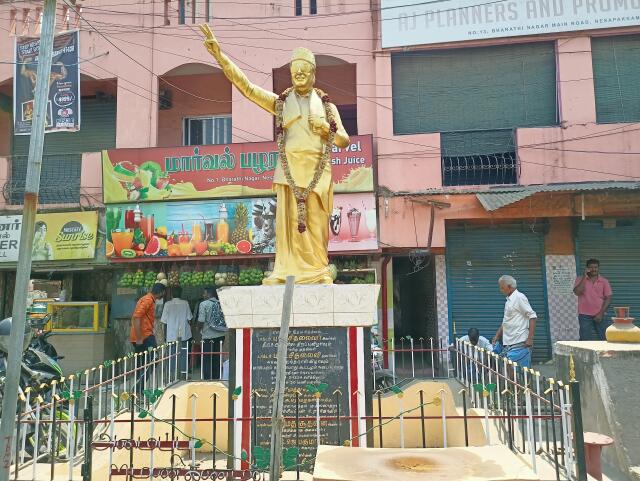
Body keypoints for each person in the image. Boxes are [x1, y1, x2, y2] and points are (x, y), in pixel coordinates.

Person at [200, 24, 350, 285]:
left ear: (314, 74)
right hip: (289, 173)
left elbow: (343, 141)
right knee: (288, 227)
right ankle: (286, 272)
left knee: (315, 226)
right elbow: (247, 88)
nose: (299, 75)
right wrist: (220, 56)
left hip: (317, 174)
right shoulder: (281, 103)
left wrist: (326, 128)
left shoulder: (328, 107)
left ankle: (317, 272)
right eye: (295, 72)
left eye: (304, 71)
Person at [492, 275, 537, 369]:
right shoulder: (508, 301)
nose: (501, 290)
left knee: (520, 372)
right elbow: (506, 321)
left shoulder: (519, 297)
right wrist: (497, 335)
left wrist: (530, 339)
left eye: (502, 287)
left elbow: (532, 316)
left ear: (510, 287)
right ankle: (513, 384)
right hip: (510, 342)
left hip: (520, 341)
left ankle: (521, 383)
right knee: (509, 369)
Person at [130, 283, 166, 390]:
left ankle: (138, 390)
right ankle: (138, 388)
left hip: (142, 336)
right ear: (161, 292)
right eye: (164, 292)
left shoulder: (146, 298)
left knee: (141, 364)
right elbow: (137, 317)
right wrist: (139, 338)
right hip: (144, 337)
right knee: (153, 360)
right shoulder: (148, 300)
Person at [573, 258, 613, 341]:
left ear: (598, 268)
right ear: (587, 268)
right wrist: (585, 277)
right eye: (591, 267)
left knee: (605, 338)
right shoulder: (580, 279)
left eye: (595, 267)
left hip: (600, 314)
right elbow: (577, 292)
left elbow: (608, 298)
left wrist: (601, 313)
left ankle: (605, 354)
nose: (593, 269)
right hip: (584, 315)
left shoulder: (604, 281)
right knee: (585, 339)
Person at [160, 287, 192, 377]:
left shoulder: (167, 304)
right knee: (183, 354)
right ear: (181, 294)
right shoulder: (185, 303)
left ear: (171, 294)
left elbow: (164, 322)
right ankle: (183, 374)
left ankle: (172, 375)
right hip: (184, 334)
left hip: (171, 334)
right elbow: (189, 319)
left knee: (172, 355)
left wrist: (165, 335)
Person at [197, 286, 227, 380]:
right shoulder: (221, 303)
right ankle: (217, 377)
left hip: (208, 336)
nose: (203, 295)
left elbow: (201, 320)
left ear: (209, 294)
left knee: (207, 358)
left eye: (204, 293)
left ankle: (207, 379)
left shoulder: (203, 304)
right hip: (221, 335)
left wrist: (198, 328)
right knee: (217, 357)